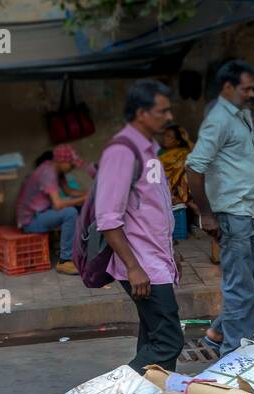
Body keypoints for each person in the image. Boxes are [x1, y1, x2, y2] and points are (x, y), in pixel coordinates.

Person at [186, 59, 254, 355]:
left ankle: (219, 330)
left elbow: (246, 162)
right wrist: (205, 214)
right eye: (246, 88)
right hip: (233, 214)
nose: (252, 93)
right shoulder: (218, 119)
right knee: (239, 288)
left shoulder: (243, 116)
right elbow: (194, 167)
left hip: (252, 210)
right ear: (228, 87)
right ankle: (232, 356)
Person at [96, 79, 183, 372]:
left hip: (156, 259)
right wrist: (133, 267)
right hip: (142, 265)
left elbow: (153, 211)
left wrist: (172, 254)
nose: (169, 117)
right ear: (141, 113)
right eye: (163, 111)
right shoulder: (123, 151)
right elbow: (108, 219)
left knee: (153, 339)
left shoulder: (148, 150)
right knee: (168, 342)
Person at [16, 144, 86, 275]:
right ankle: (65, 261)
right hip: (31, 221)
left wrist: (89, 194)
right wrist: (84, 198)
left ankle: (80, 252)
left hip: (42, 213)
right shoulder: (48, 172)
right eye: (71, 164)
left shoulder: (57, 170)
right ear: (61, 161)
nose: (73, 167)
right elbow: (58, 204)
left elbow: (69, 191)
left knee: (79, 207)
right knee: (70, 212)